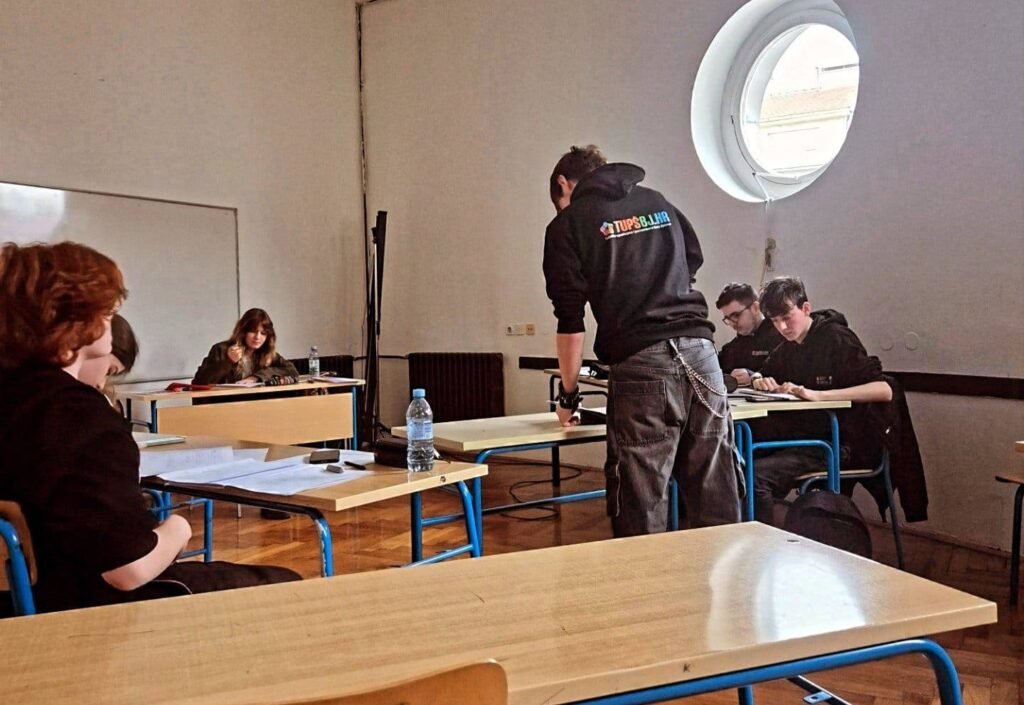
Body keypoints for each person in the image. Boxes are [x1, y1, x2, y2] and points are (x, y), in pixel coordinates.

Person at [0, 241, 300, 613]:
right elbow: (128, 570)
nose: (112, 321)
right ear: (75, 323)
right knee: (286, 585)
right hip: (86, 609)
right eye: (107, 311)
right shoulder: (80, 416)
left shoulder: (16, 399)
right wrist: (179, 528)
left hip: (19, 604)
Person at [542, 145, 742, 536]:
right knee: (716, 489)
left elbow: (570, 320)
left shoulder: (567, 224)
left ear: (563, 184)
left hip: (642, 360)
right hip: (702, 353)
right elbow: (692, 258)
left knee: (640, 499)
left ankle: (647, 578)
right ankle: (727, 573)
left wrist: (568, 396)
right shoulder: (656, 201)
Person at [750, 276, 893, 524]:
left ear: (806, 308)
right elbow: (762, 372)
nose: (782, 327)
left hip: (841, 443)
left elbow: (884, 390)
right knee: (737, 460)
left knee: (755, 476)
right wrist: (758, 380)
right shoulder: (789, 345)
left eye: (787, 317)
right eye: (774, 321)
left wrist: (819, 395)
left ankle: (764, 541)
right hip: (804, 438)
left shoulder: (836, 338)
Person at [192, 308, 299, 386]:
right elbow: (199, 382)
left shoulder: (266, 352)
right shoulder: (220, 349)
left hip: (255, 403)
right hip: (225, 404)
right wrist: (228, 362)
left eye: (263, 333)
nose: (257, 337)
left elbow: (291, 370)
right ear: (243, 331)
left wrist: (256, 377)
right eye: (253, 331)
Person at [715, 282, 784, 386]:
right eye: (728, 318)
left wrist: (753, 377)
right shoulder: (734, 346)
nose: (732, 323)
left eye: (736, 315)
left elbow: (789, 374)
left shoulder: (781, 336)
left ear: (755, 308)